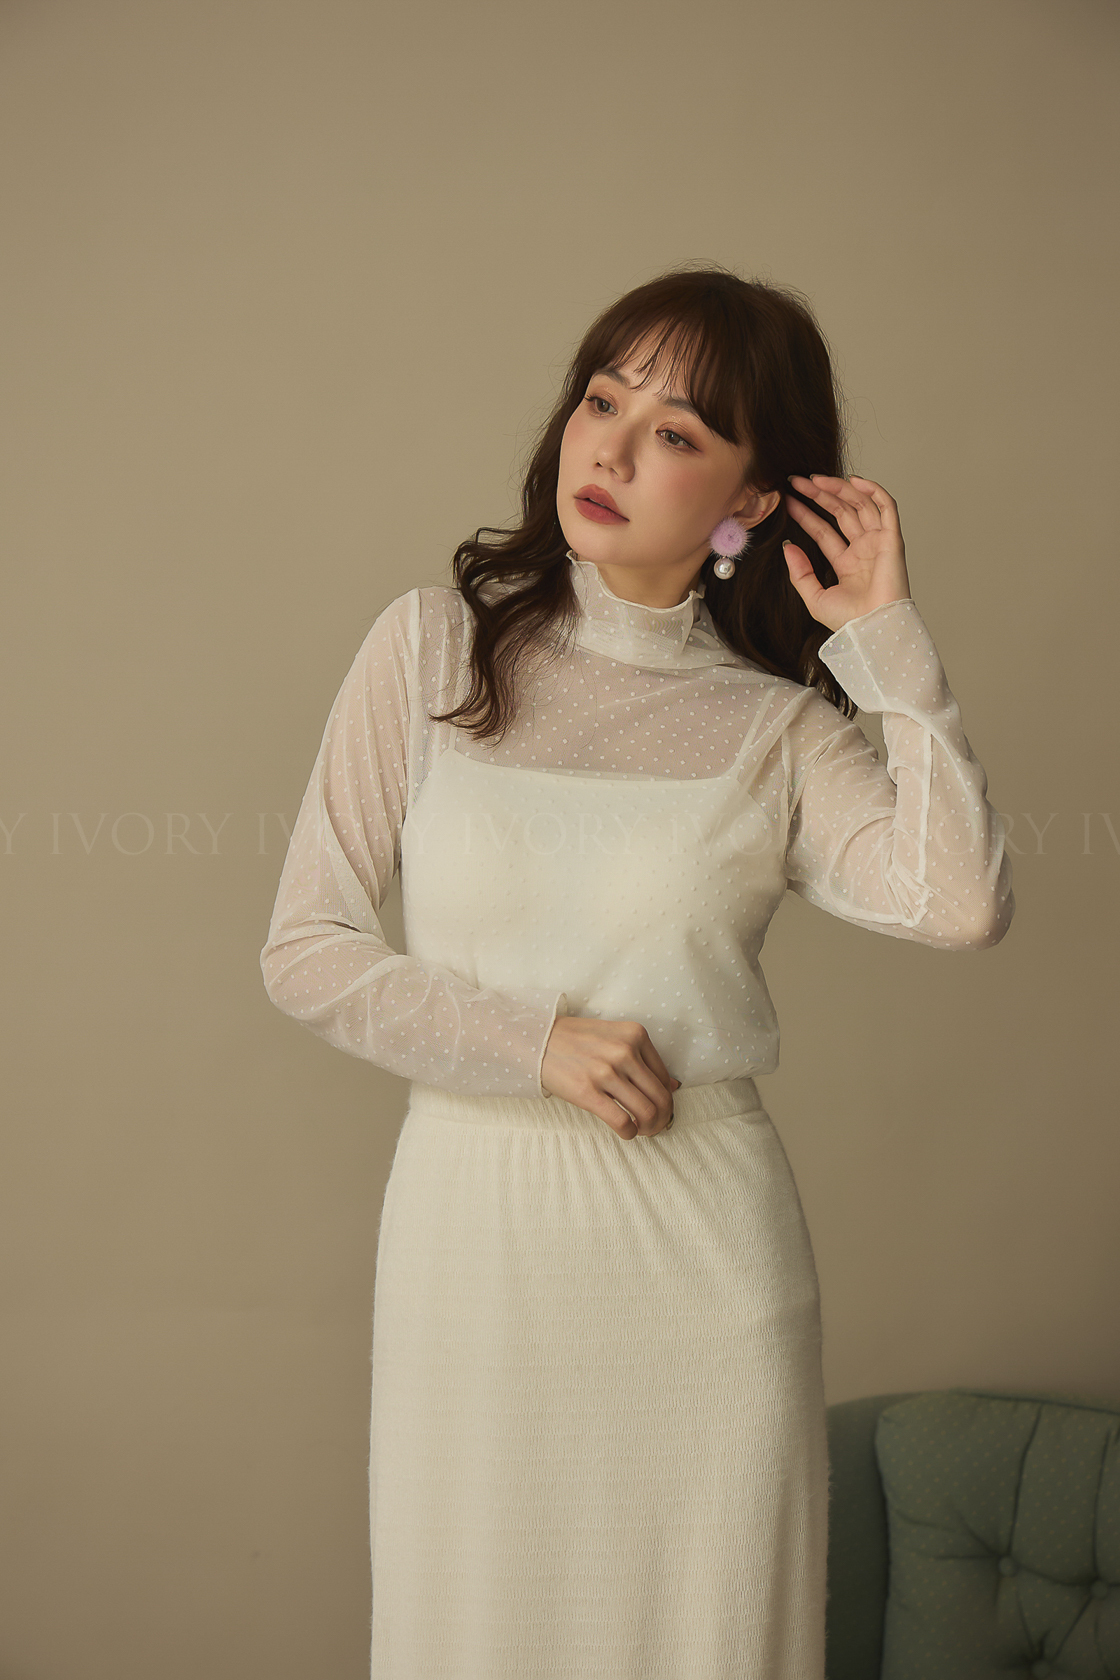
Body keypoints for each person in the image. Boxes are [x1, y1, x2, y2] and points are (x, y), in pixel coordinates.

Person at [259, 264, 1014, 1680]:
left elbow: (961, 903)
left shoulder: (781, 731)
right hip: (474, 1245)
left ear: (750, 496)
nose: (607, 448)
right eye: (602, 401)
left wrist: (886, 644)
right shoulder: (429, 650)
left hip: (700, 1265)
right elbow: (305, 948)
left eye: (675, 432)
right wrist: (530, 1041)